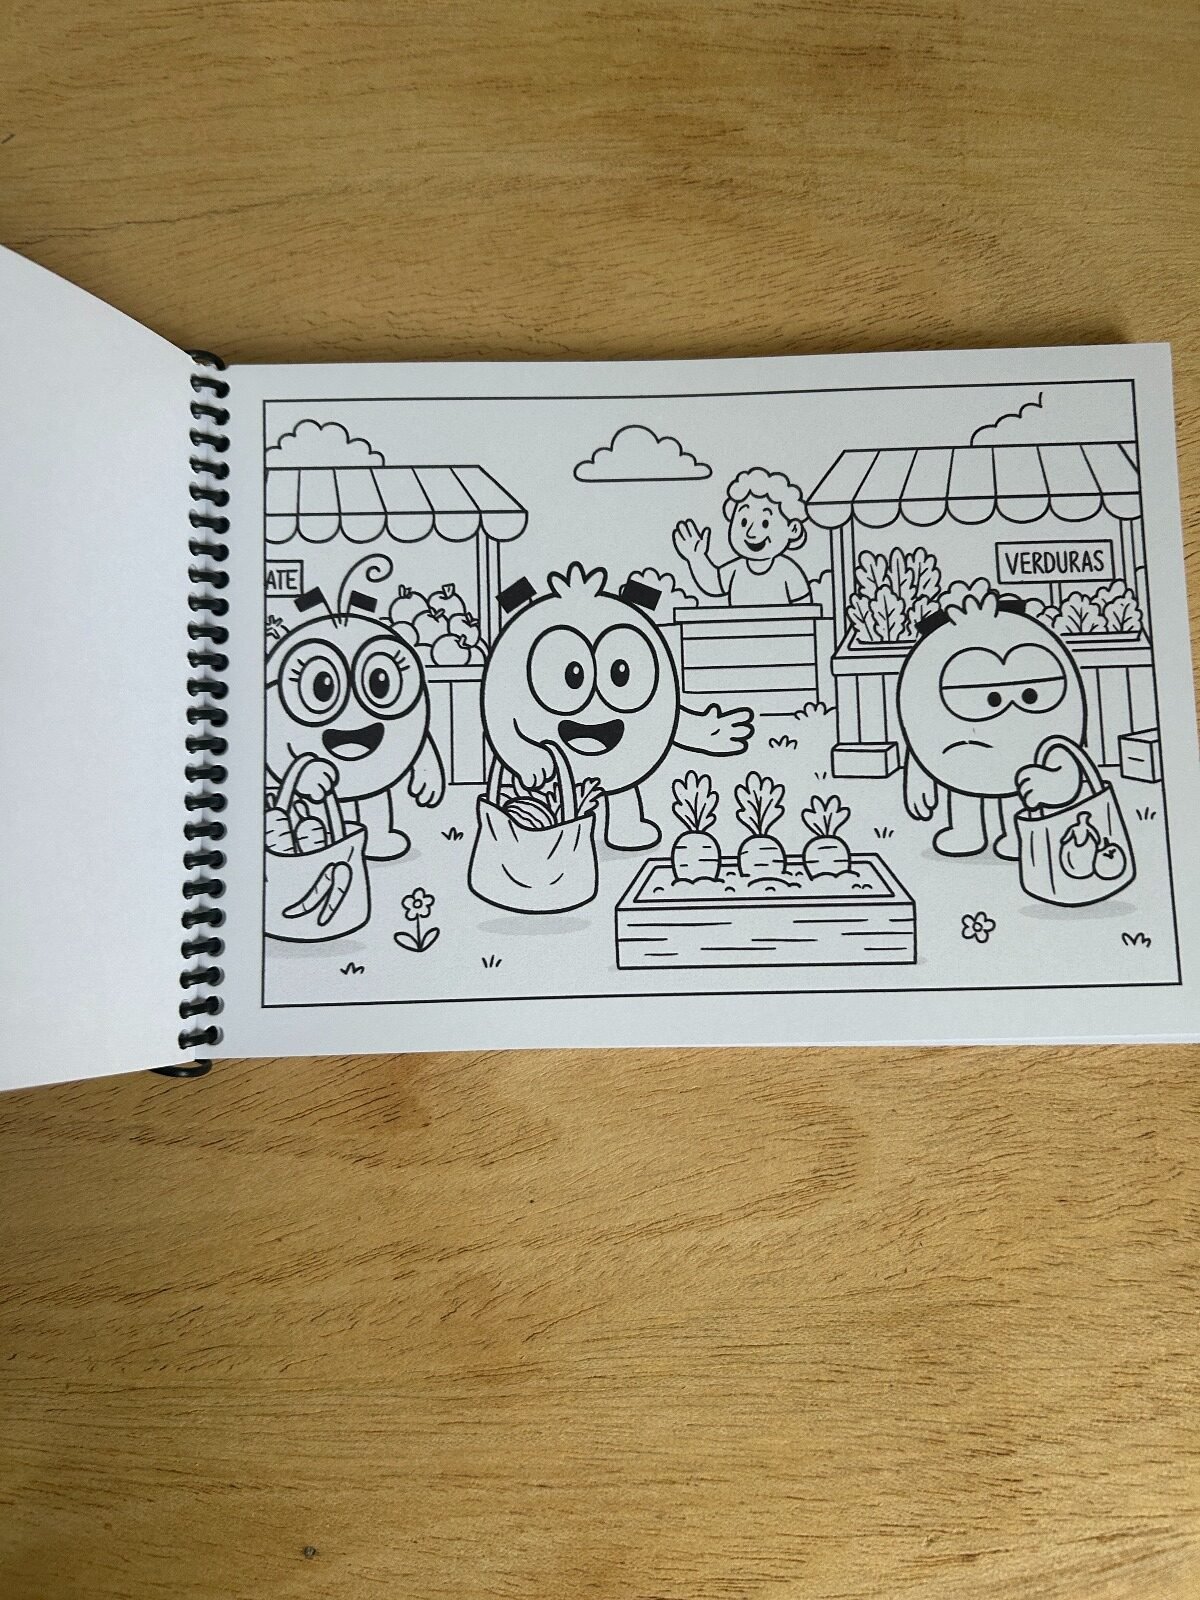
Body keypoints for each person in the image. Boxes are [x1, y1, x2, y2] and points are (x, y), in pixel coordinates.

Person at [673, 467, 810, 606]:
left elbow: (807, 609)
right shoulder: (736, 569)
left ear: (793, 529)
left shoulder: (788, 571)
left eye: (765, 523)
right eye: (744, 522)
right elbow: (715, 584)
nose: (751, 533)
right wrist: (696, 558)